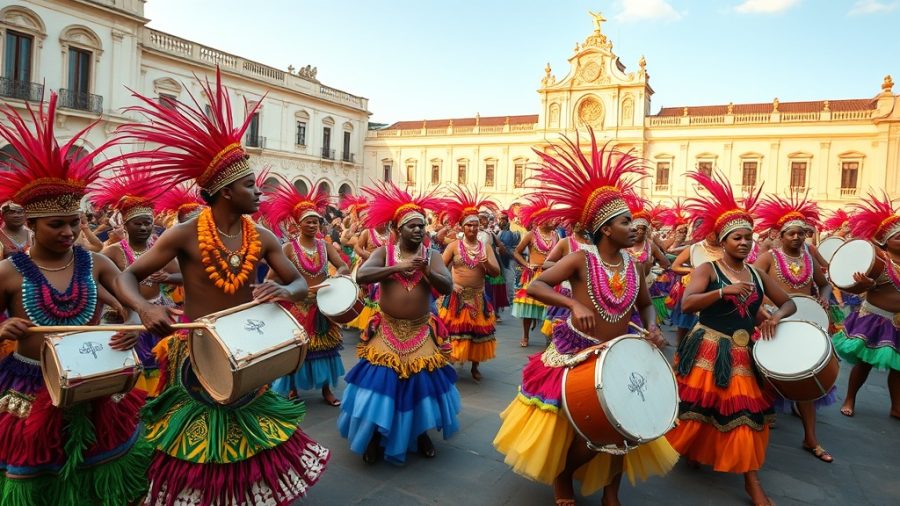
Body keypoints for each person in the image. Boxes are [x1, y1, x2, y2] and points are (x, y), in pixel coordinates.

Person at [113, 68, 329, 505]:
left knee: (249, 435)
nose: (259, 193)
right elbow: (127, 275)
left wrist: (285, 293)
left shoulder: (263, 236)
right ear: (227, 191)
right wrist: (146, 309)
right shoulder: (185, 233)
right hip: (196, 349)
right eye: (251, 186)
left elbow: (300, 287)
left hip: (248, 344)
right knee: (199, 442)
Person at [494, 131, 676, 506]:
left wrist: (653, 326)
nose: (635, 228)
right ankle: (563, 476)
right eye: (626, 222)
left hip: (621, 350)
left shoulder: (634, 265)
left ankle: (612, 492)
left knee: (625, 424)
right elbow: (538, 284)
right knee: (578, 427)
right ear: (607, 228)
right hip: (577, 350)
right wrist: (574, 305)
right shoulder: (581, 258)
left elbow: (644, 305)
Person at [0, 92, 151, 504]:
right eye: (56, 225)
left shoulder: (95, 262)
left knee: (103, 474)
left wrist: (136, 323)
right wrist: (3, 329)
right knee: (39, 481)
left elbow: (131, 295)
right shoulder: (8, 272)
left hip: (95, 377)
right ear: (31, 224)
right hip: (30, 384)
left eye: (74, 222)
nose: (68, 232)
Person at [665, 171, 796, 506]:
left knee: (744, 413)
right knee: (699, 407)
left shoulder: (757, 274)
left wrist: (773, 318)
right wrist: (724, 291)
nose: (743, 243)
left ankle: (752, 482)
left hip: (742, 350)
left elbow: (790, 303)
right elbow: (688, 303)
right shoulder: (707, 270)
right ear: (722, 241)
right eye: (736, 237)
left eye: (748, 238)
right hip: (707, 345)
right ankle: (695, 450)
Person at [338, 182, 460, 465]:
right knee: (380, 386)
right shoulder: (385, 253)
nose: (418, 230)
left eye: (421, 226)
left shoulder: (434, 256)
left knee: (422, 387)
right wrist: (396, 268)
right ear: (398, 230)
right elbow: (362, 277)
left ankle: (420, 434)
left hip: (420, 331)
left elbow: (447, 285)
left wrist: (427, 270)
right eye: (411, 226)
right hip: (387, 330)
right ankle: (373, 437)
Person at [752, 192, 834, 463]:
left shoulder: (810, 256)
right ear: (781, 236)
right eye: (792, 234)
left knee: (806, 376)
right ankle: (759, 431)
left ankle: (810, 437)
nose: (798, 238)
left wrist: (823, 297)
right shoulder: (769, 258)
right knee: (765, 375)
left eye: (802, 233)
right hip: (773, 323)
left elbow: (823, 282)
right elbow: (752, 284)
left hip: (803, 324)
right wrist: (764, 310)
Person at [93, 164, 183, 395]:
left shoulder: (160, 249)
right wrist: (115, 303)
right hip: (125, 318)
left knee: (162, 367)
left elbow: (185, 275)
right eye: (138, 223)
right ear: (125, 225)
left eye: (148, 223)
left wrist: (169, 276)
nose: (144, 227)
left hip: (158, 314)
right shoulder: (113, 251)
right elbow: (92, 282)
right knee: (130, 367)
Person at [262, 176, 350, 406]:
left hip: (322, 304)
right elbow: (271, 278)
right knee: (298, 348)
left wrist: (340, 271)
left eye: (317, 222)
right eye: (308, 222)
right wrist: (282, 291)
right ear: (298, 224)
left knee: (326, 348)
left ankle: (327, 390)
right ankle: (292, 389)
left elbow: (343, 264)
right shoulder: (288, 249)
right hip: (297, 306)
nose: (313, 225)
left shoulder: (325, 245)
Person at [832, 193, 900, 419]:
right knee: (864, 362)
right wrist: (867, 284)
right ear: (885, 241)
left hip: (898, 321)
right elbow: (850, 286)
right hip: (876, 318)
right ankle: (849, 398)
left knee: (898, 368)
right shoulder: (878, 259)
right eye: (897, 236)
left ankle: (896, 407)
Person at [439, 187, 501, 382]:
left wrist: (485, 262)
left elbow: (496, 272)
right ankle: (449, 363)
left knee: (477, 332)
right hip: (455, 296)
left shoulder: (486, 247)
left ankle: (475, 366)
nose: (473, 229)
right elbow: (439, 269)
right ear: (462, 227)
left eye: (475, 225)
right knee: (452, 333)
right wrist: (450, 285)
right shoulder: (453, 246)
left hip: (477, 296)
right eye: (469, 226)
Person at [511, 195, 558, 347]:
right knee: (529, 306)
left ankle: (548, 336)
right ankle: (525, 336)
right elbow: (516, 252)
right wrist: (526, 264)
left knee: (549, 307)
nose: (552, 221)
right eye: (548, 219)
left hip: (551, 275)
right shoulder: (531, 235)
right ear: (540, 220)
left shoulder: (556, 235)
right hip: (534, 275)